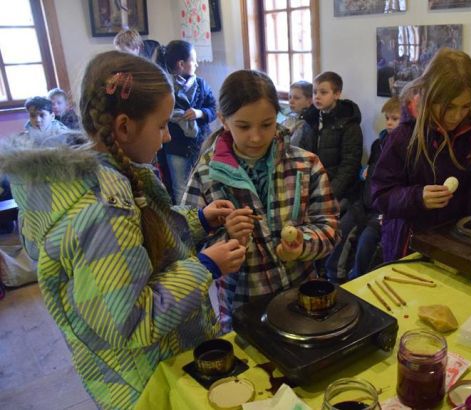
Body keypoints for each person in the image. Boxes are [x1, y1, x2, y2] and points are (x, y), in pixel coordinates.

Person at [0, 51, 246, 409]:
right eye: (161, 126)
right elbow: (130, 321)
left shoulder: (109, 179)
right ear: (124, 127)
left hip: (150, 366)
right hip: (142, 385)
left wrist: (200, 220)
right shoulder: (105, 211)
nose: (165, 138)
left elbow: (145, 240)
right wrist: (206, 266)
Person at [183, 70, 339, 333]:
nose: (256, 137)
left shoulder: (306, 164)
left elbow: (330, 228)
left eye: (266, 124)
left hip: (302, 301)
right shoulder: (206, 172)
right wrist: (228, 239)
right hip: (242, 307)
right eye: (243, 126)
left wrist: (302, 244)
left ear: (277, 118)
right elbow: (188, 246)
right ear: (223, 120)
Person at [371, 48, 471, 262]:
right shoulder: (404, 136)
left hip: (463, 242)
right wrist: (418, 198)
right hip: (412, 247)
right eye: (449, 107)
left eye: (466, 106)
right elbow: (379, 196)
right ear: (429, 96)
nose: (457, 116)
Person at [325, 97, 401, 282]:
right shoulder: (379, 144)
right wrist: (364, 172)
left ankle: (356, 280)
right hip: (365, 201)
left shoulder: (404, 149)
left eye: (395, 119)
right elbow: (369, 171)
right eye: (388, 118)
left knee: (366, 241)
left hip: (382, 211)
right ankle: (333, 276)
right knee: (340, 229)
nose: (389, 123)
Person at [156, 40, 217, 203]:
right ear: (181, 64)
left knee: (206, 183)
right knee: (180, 188)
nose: (197, 63)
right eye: (193, 60)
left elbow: (213, 108)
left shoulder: (201, 84)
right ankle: (186, 224)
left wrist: (200, 113)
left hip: (201, 144)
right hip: (175, 148)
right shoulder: (163, 88)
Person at [297, 71, 364, 206]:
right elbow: (301, 154)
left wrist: (330, 194)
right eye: (315, 92)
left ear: (337, 94)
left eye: (323, 92)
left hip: (337, 189)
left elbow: (349, 165)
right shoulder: (310, 120)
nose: (317, 97)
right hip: (311, 184)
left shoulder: (349, 124)